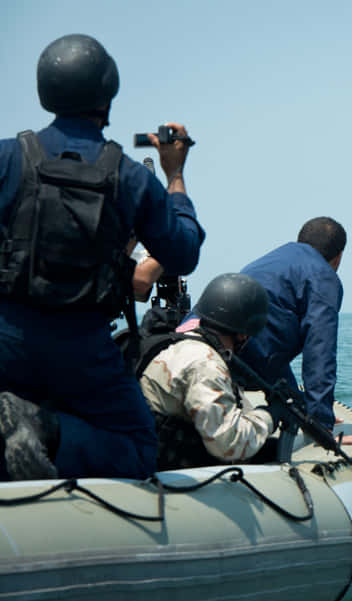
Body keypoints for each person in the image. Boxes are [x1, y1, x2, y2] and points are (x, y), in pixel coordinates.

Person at [0, 34, 204, 481]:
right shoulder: (131, 179)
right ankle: (44, 427)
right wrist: (175, 175)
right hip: (83, 349)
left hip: (6, 338)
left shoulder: (8, 158)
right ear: (108, 93)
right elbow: (183, 253)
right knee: (137, 448)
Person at [139, 274, 279, 469]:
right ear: (242, 334)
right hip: (158, 465)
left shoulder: (181, 343)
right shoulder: (206, 363)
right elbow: (227, 443)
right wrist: (270, 416)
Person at [235, 217, 346, 430]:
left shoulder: (270, 261)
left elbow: (270, 348)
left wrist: (302, 409)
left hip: (199, 348)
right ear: (338, 257)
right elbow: (319, 355)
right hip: (231, 364)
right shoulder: (323, 278)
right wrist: (321, 425)